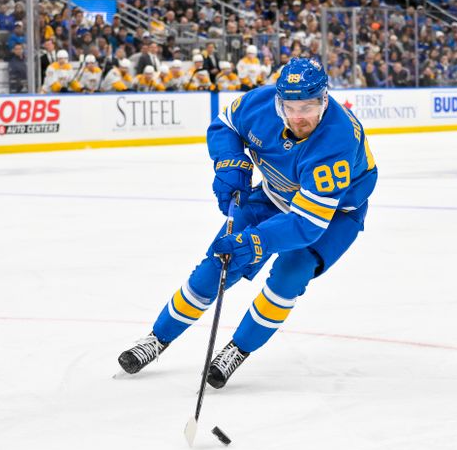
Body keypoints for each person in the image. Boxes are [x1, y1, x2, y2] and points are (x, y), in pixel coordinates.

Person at [117, 58, 378, 388]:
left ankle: (238, 349)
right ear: (278, 101)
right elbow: (225, 125)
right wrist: (230, 165)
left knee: (291, 273)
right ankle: (157, 338)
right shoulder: (260, 102)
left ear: (324, 100)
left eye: (309, 107)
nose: (299, 118)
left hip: (334, 214)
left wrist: (256, 242)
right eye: (291, 107)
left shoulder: (336, 141)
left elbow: (307, 223)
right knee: (215, 268)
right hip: (273, 195)